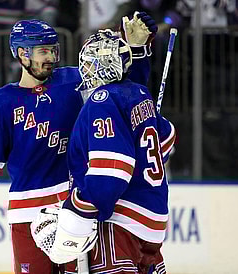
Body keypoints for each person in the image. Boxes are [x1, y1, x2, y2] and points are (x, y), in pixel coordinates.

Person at [0, 14, 158, 274]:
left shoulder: (76, 82)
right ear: (22, 54)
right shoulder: (3, 102)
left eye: (53, 50)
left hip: (74, 214)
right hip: (27, 215)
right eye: (43, 51)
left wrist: (138, 51)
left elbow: (127, 93)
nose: (51, 57)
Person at [31, 30, 176, 274]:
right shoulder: (139, 94)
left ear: (105, 65)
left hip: (118, 225)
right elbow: (167, 138)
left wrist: (77, 211)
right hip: (152, 224)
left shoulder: (102, 99)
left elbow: (112, 172)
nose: (84, 69)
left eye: (89, 63)